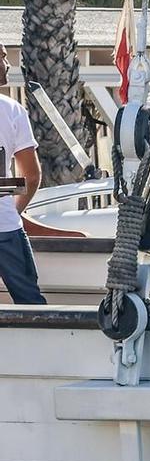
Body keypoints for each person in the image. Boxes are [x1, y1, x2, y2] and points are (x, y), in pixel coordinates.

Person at [0, 45, 45, 305]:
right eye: (3, 56)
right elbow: (31, 176)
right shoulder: (11, 110)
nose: (8, 63)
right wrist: (12, 211)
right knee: (31, 304)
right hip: (5, 229)